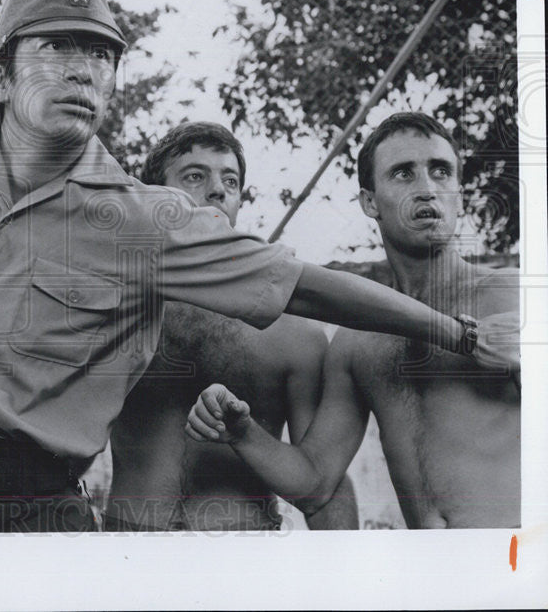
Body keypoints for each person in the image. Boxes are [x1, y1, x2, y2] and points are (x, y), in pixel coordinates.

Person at [0, 0, 513, 534]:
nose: (82, 69)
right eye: (57, 48)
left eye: (99, 54)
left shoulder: (148, 220)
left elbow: (312, 287)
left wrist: (463, 336)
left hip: (29, 517)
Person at [187, 112, 520, 528]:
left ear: (458, 192)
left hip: (518, 569)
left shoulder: (516, 295)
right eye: (403, 173)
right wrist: (243, 432)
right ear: (369, 202)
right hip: (433, 578)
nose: (427, 189)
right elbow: (314, 484)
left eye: (441, 171)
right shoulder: (356, 343)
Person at [107, 122, 357, 531]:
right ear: (154, 196)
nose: (218, 190)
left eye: (231, 180)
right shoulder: (118, 311)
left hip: (247, 562)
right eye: (194, 176)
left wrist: (344, 586)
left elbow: (321, 481)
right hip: (129, 557)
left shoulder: (295, 333)